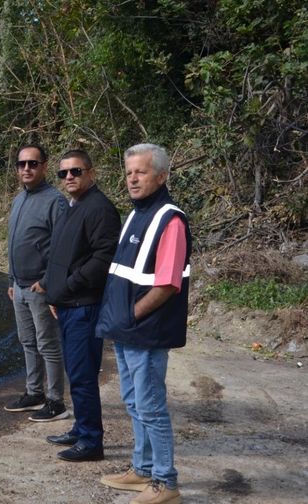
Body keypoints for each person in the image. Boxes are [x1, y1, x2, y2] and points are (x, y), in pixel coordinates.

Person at [96, 144, 191, 504]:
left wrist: (131, 316)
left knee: (150, 406)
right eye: (129, 172)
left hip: (146, 331)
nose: (132, 179)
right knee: (134, 401)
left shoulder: (171, 220)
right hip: (126, 330)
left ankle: (166, 484)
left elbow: (167, 284)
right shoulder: (137, 214)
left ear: (162, 176)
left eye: (141, 172)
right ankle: (142, 468)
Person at [40, 149, 121, 462]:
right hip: (68, 304)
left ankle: (91, 441)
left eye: (76, 171)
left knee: (84, 375)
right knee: (76, 372)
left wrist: (68, 288)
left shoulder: (99, 208)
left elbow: (104, 258)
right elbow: (62, 255)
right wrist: (52, 289)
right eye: (64, 173)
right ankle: (80, 428)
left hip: (84, 306)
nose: (69, 177)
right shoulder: (74, 206)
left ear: (91, 173)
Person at [4, 144, 69, 422]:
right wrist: (11, 279)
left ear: (44, 166)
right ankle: (35, 393)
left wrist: (47, 283)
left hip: (39, 288)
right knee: (27, 342)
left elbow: (62, 248)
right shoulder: (19, 200)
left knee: (48, 344)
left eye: (32, 163)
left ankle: (56, 401)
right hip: (18, 287)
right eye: (22, 164)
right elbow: (14, 243)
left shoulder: (55, 201)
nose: (27, 169)